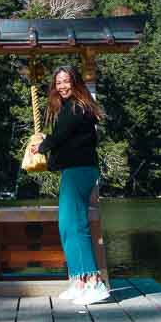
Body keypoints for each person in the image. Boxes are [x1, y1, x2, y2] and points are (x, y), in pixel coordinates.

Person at [28, 64, 109, 305]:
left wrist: (41, 147)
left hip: (79, 171)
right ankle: (79, 282)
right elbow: (66, 140)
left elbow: (60, 136)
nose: (62, 86)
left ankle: (95, 284)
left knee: (75, 226)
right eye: (58, 82)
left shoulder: (76, 107)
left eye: (66, 81)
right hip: (75, 170)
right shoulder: (71, 108)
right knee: (67, 225)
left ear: (75, 82)